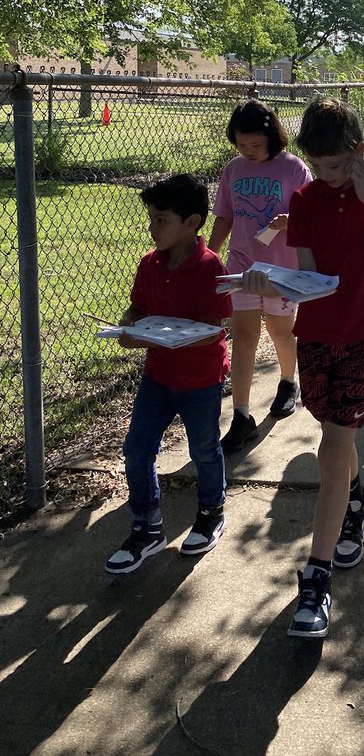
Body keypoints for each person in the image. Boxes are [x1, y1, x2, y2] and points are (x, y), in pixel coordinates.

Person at [243, 97, 364, 638]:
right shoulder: (306, 199)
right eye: (319, 167)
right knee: (333, 425)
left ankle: (316, 579)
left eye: (338, 165)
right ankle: (356, 504)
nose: (328, 177)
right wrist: (272, 280)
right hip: (315, 332)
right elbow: (309, 276)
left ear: (359, 153)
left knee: (333, 443)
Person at [105, 174, 232, 575]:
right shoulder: (149, 263)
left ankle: (211, 512)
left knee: (204, 451)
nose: (152, 227)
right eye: (151, 218)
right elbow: (136, 310)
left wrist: (159, 340)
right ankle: (147, 527)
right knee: (137, 449)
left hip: (200, 379)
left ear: (192, 222)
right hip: (158, 376)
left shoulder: (211, 267)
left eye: (161, 219)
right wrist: (128, 327)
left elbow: (216, 329)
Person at [208, 99, 312, 452]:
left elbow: (314, 218)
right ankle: (241, 415)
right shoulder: (233, 170)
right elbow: (224, 216)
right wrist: (209, 252)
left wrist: (292, 221)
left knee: (280, 330)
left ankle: (287, 380)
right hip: (242, 264)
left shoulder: (293, 168)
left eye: (255, 144)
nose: (248, 152)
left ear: (272, 135)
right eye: (241, 145)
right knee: (244, 334)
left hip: (282, 270)